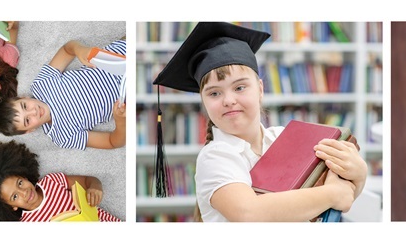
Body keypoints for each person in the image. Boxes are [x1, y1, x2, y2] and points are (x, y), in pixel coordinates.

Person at [151, 22, 366, 222]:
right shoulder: (215, 156)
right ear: (204, 101)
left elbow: (340, 201)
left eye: (239, 87)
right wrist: (331, 193)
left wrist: (358, 174)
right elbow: (249, 213)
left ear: (260, 89)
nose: (228, 100)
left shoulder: (285, 137)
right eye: (214, 93)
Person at [0, 39, 127, 150]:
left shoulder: (41, 84)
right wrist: (121, 122)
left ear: (23, 97)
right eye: (27, 120)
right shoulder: (63, 137)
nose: (33, 112)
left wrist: (80, 50)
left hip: (116, 57)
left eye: (25, 106)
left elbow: (68, 49)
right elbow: (112, 142)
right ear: (29, 131)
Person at [0, 140, 121, 222]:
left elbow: (88, 181)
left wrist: (95, 187)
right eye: (15, 197)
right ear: (12, 206)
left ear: (23, 175)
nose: (24, 192)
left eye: (20, 183)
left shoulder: (51, 181)